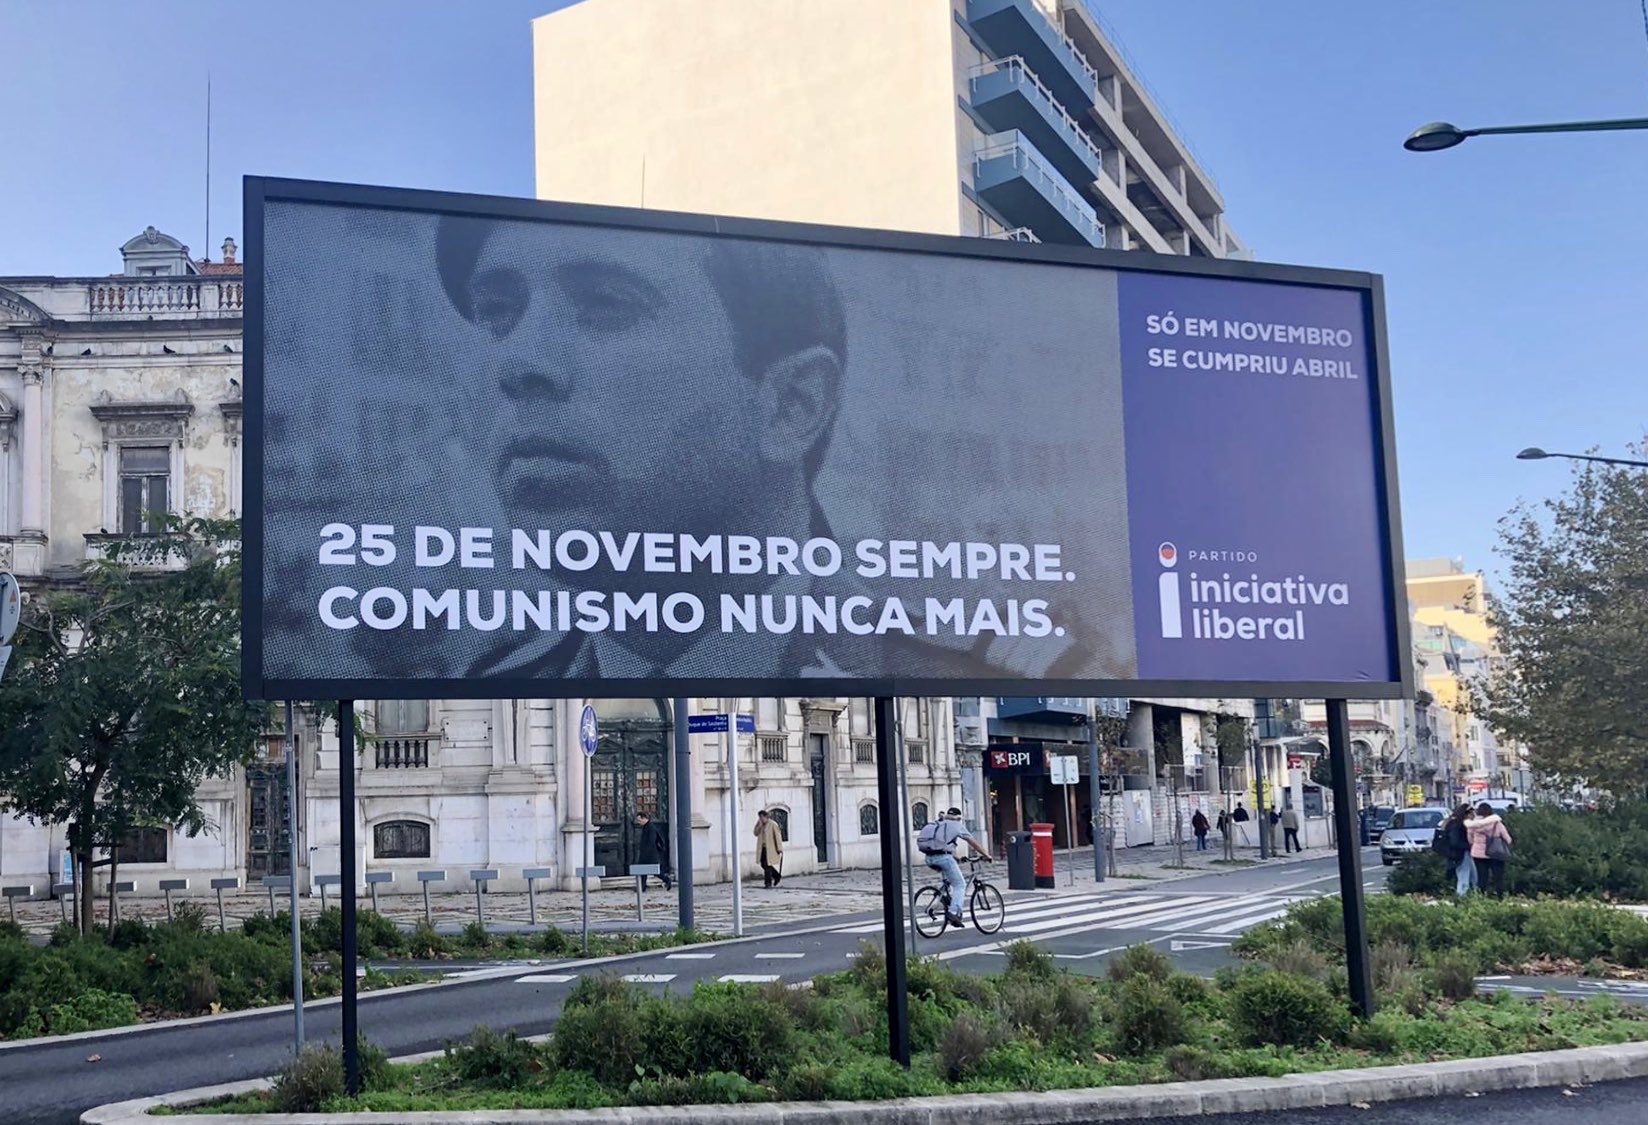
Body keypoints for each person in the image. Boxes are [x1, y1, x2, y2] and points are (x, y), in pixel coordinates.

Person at [430, 213, 1106, 683]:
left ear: (792, 404)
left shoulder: (955, 670)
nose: (518, 362)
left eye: (606, 305)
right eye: (497, 315)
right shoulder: (502, 677)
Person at [916, 807, 994, 928]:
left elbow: (942, 845)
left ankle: (944, 898)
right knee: (960, 885)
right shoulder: (957, 825)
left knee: (949, 880)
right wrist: (986, 855)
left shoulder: (939, 823)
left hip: (929, 858)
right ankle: (953, 913)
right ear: (959, 818)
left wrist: (957, 858)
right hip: (943, 858)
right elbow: (973, 842)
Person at [1466, 801, 1512, 897]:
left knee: (1482, 877)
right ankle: (1500, 897)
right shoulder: (1496, 823)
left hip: (1478, 854)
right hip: (1496, 853)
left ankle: (1481, 896)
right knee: (1498, 877)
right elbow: (1507, 839)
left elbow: (1470, 839)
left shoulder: (1473, 825)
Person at [1436, 803, 1475, 896]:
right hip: (1460, 854)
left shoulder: (1453, 823)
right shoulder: (1457, 825)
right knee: (1464, 876)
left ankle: (1472, 894)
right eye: (1472, 814)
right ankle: (1461, 896)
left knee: (1472, 876)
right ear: (1466, 814)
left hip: (1461, 853)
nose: (1473, 816)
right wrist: (1468, 846)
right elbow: (1455, 842)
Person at [634, 811, 672, 891]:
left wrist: (645, 853)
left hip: (650, 855)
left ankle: (667, 880)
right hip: (647, 854)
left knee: (655, 871)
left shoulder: (651, 828)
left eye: (639, 820)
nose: (638, 822)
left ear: (644, 818)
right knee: (643, 871)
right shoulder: (647, 827)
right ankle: (642, 887)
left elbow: (651, 842)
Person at [753, 809, 785, 888]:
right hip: (762, 848)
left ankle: (768, 883)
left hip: (770, 848)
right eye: (760, 817)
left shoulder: (773, 824)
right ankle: (776, 876)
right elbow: (755, 833)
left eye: (762, 817)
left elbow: (778, 837)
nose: (761, 819)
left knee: (767, 865)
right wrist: (759, 826)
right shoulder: (760, 824)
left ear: (766, 817)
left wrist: (779, 848)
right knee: (763, 864)